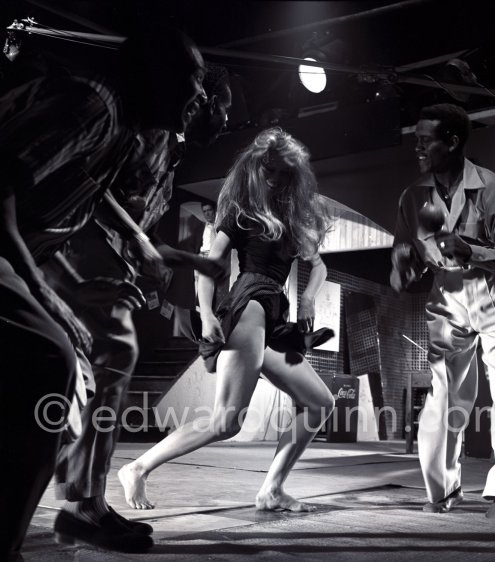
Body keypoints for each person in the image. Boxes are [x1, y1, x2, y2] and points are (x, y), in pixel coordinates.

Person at [0, 25, 216, 560]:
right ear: (158, 76)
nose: (201, 96)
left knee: (82, 365)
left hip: (44, 251)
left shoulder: (125, 123)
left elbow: (92, 192)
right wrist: (46, 296)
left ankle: (81, 504)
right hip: (39, 254)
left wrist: (144, 242)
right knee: (56, 361)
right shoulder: (95, 105)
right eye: (195, 79)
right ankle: (75, 508)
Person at [42, 65, 232, 552]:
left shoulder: (171, 148)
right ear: (200, 99)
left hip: (107, 256)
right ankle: (81, 506)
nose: (226, 119)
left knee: (102, 368)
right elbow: (90, 183)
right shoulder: (144, 129)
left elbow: (136, 214)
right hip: (77, 247)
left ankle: (87, 502)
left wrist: (170, 259)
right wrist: (137, 239)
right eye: (222, 105)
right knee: (112, 354)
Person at [118, 127, 336, 512]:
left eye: (281, 171)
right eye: (266, 169)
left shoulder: (293, 215)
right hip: (249, 306)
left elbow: (318, 267)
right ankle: (137, 468)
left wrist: (307, 296)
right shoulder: (240, 211)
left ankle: (271, 490)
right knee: (226, 422)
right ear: (254, 168)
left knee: (319, 402)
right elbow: (209, 267)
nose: (272, 178)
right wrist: (204, 314)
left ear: (293, 173)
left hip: (273, 314)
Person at [390, 103, 495, 531]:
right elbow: (404, 260)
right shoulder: (413, 197)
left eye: (425, 141)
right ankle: (444, 489)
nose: (417, 149)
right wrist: (403, 266)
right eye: (414, 141)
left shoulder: (490, 189)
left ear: (452, 142)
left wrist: (471, 250)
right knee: (444, 395)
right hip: (447, 300)